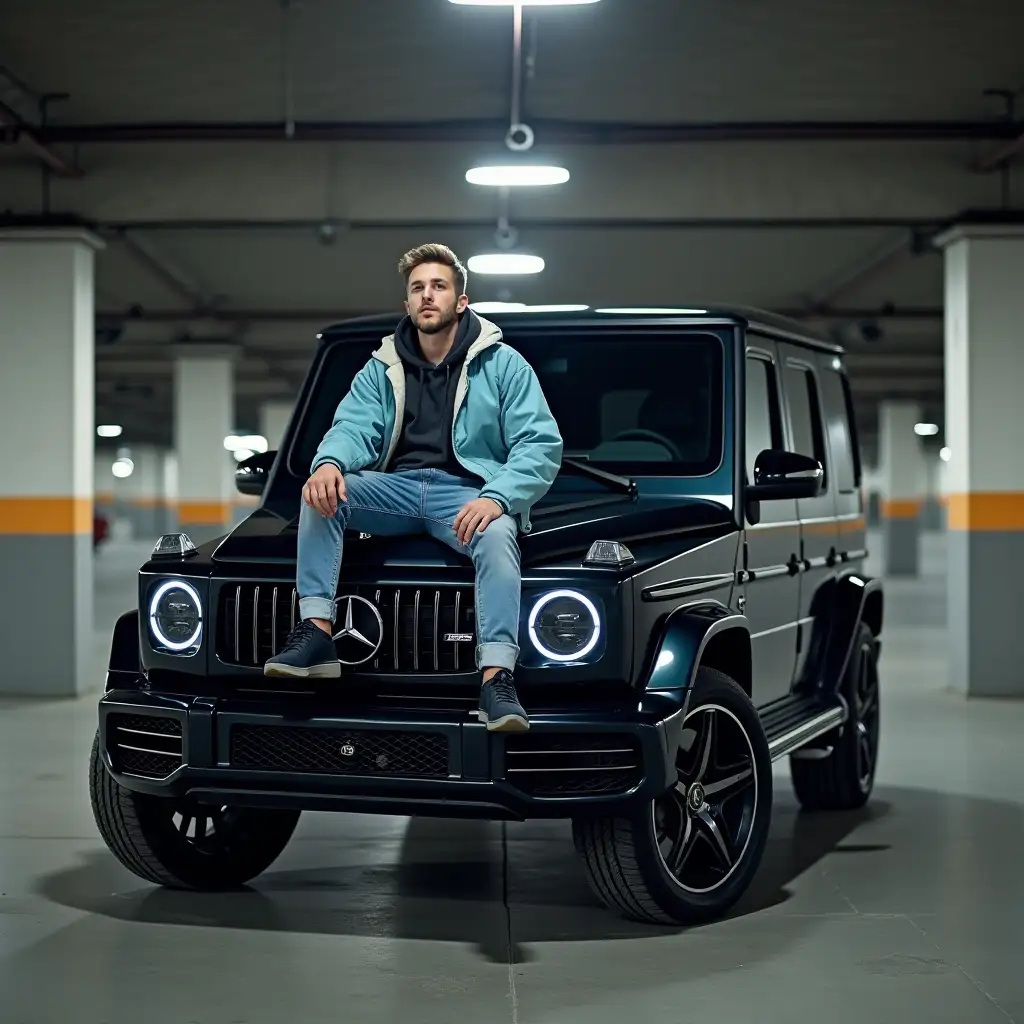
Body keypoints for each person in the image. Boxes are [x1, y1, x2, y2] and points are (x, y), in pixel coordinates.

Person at [264, 243, 564, 732]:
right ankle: (317, 632)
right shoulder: (382, 368)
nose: (428, 296)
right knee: (320, 495)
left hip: (465, 493)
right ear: (407, 304)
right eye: (418, 288)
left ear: (461, 301)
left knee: (496, 534)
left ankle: (496, 680)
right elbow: (352, 427)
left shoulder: (504, 365)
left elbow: (540, 444)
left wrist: (497, 497)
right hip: (396, 489)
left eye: (439, 286)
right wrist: (329, 463)